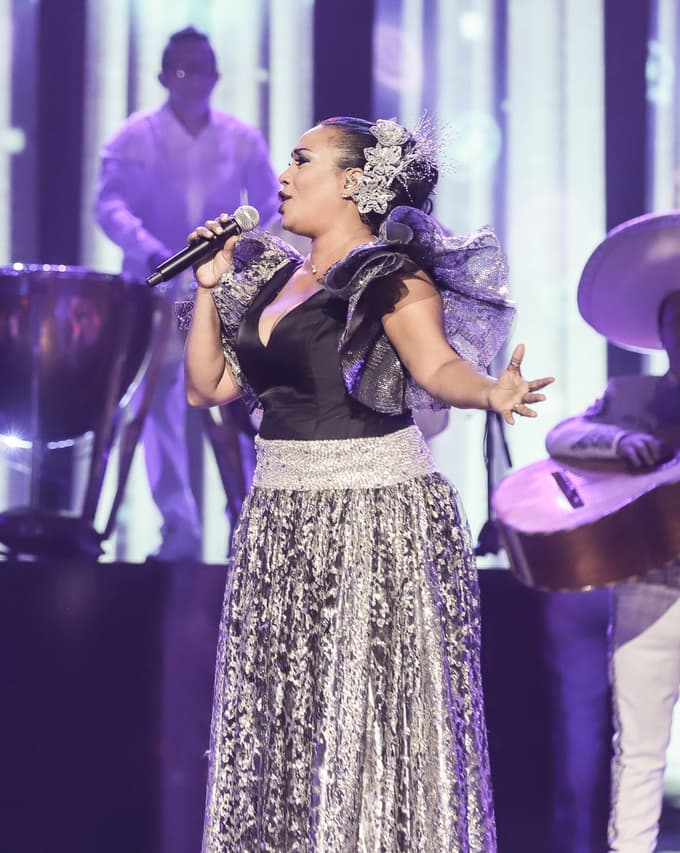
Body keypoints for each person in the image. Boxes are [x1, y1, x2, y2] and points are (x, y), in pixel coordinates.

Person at [180, 115, 553, 850]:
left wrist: (490, 392)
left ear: (352, 182)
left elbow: (436, 367)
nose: (282, 175)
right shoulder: (268, 272)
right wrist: (207, 286)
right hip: (280, 519)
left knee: (370, 718)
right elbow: (207, 386)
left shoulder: (390, 274)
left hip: (374, 513)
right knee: (284, 721)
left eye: (300, 159)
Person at [94, 26, 281, 561]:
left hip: (228, 287)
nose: (191, 81)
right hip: (155, 288)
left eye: (200, 71)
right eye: (181, 70)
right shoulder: (133, 135)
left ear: (216, 76)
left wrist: (243, 249)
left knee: (242, 398)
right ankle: (179, 527)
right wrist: (152, 248)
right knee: (159, 405)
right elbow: (110, 205)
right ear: (161, 75)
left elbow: (271, 202)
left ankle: (248, 519)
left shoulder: (242, 137)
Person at [544, 212, 680, 853]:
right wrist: (622, 440)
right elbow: (562, 436)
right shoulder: (630, 393)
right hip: (649, 582)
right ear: (662, 331)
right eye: (676, 318)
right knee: (640, 743)